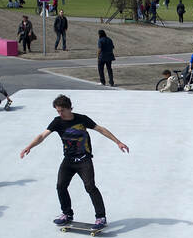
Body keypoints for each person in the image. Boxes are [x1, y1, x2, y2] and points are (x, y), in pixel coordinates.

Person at [19, 94, 129, 230]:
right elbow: (42, 136)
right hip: (68, 161)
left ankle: (101, 217)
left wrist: (118, 142)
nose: (60, 114)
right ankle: (67, 214)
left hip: (84, 160)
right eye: (58, 111)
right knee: (60, 186)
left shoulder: (82, 119)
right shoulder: (57, 122)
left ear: (69, 108)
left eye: (62, 111)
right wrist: (29, 147)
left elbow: (101, 129)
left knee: (90, 187)